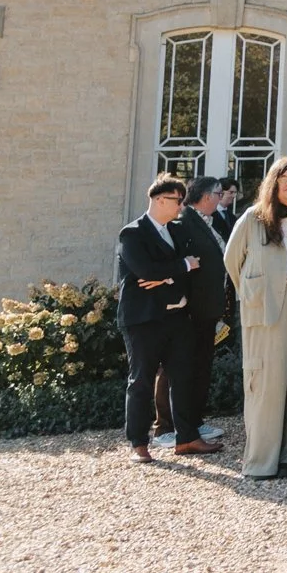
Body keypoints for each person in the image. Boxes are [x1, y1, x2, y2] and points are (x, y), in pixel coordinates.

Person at [222, 156, 287, 479]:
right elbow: (231, 260)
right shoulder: (253, 218)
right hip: (266, 308)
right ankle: (261, 460)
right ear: (273, 183)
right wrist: (254, 293)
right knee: (267, 382)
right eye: (284, 178)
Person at [116, 175, 217, 462]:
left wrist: (166, 274)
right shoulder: (133, 233)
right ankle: (138, 443)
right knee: (142, 381)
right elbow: (145, 270)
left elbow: (194, 265)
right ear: (160, 199)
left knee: (183, 378)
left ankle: (187, 438)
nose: (181, 206)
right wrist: (179, 267)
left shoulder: (177, 231)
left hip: (178, 318)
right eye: (177, 201)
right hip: (144, 320)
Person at [151, 177, 228, 448]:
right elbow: (177, 264)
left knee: (200, 366)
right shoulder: (183, 223)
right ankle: (164, 427)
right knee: (174, 367)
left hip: (207, 309)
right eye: (219, 194)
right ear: (206, 196)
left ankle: (193, 421)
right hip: (190, 309)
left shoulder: (208, 222)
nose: (222, 199)